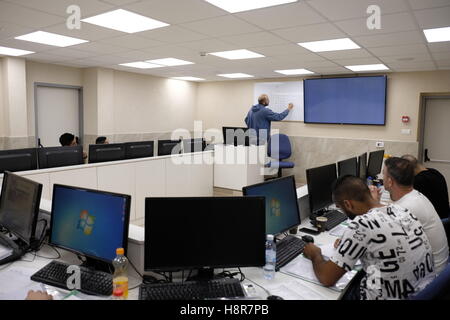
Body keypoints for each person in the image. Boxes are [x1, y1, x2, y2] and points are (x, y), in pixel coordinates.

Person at [303, 175, 435, 300]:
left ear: (348, 204)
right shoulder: (401, 210)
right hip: (420, 291)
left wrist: (316, 254)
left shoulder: (361, 224)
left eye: (341, 207)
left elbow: (327, 278)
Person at [371, 157, 448, 274]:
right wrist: (376, 203)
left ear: (390, 182)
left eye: (384, 175)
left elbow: (374, 234)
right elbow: (391, 211)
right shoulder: (415, 196)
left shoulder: (406, 207)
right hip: (434, 267)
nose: (382, 179)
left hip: (428, 277)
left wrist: (373, 203)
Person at [402, 154, 449, 219]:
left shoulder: (419, 180)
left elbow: (405, 200)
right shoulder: (435, 172)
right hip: (444, 214)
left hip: (437, 218)